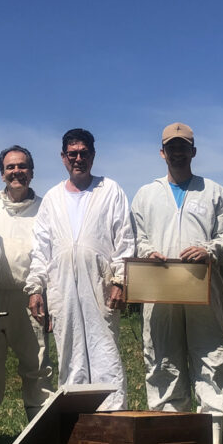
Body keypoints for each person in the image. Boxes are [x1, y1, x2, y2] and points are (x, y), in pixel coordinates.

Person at [131, 122, 223, 444]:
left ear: (193, 151)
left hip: (203, 286)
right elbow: (137, 237)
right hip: (159, 286)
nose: (178, 152)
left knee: (210, 354)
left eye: (184, 146)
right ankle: (171, 426)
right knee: (162, 355)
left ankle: (212, 435)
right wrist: (148, 253)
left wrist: (209, 249)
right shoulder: (146, 194)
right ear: (162, 152)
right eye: (171, 146)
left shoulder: (215, 192)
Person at [25, 129, 134, 410]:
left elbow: (125, 238)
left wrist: (120, 280)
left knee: (104, 349)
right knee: (69, 351)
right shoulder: (52, 198)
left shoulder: (110, 190)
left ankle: (112, 417)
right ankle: (77, 420)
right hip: (61, 287)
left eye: (83, 153)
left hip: (100, 284)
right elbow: (40, 248)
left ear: (93, 156)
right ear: (63, 158)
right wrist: (36, 288)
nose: (78, 159)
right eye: (72, 154)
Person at [0, 146, 56, 429]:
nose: (17, 172)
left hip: (30, 297)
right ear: (2, 173)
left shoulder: (46, 207)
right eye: (11, 167)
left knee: (37, 365)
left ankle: (40, 432)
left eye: (22, 166)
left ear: (32, 172)